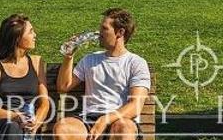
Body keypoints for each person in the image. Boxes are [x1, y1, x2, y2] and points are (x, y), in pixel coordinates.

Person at [53, 8, 151, 140]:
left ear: (120, 32)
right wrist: (68, 56)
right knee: (62, 129)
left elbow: (135, 105)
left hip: (120, 118)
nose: (99, 33)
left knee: (124, 130)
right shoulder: (89, 59)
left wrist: (105, 120)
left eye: (104, 29)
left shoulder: (136, 63)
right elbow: (63, 87)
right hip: (89, 118)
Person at [0, 14, 49, 140]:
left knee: (16, 128)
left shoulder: (36, 63)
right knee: (12, 126)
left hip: (25, 127)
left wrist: (36, 123)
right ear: (17, 38)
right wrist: (15, 117)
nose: (35, 35)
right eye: (30, 32)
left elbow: (44, 103)